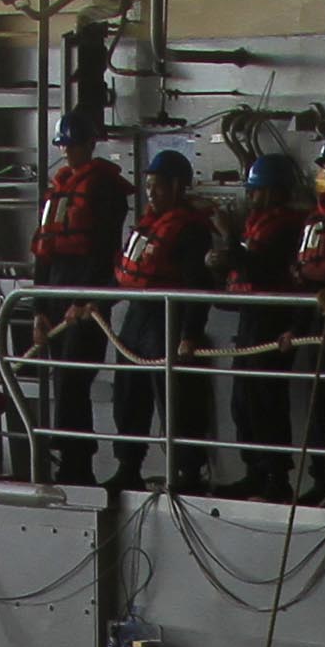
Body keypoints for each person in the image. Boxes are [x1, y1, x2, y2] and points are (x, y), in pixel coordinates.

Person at [104, 148, 223, 493]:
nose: (152, 193)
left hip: (168, 317)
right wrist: (91, 303)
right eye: (149, 187)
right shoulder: (148, 227)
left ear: (176, 187)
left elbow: (197, 287)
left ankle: (188, 472)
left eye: (158, 187)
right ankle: (129, 465)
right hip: (139, 316)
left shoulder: (190, 231)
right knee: (128, 394)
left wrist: (190, 333)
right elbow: (123, 275)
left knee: (176, 398)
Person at [19, 108, 126, 488]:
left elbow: (103, 249)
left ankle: (77, 463)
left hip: (84, 305)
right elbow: (45, 251)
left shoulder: (106, 189)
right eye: (64, 146)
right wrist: (39, 311)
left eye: (73, 145)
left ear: (89, 144)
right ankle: (70, 460)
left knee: (74, 383)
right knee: (63, 384)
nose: (68, 153)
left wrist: (88, 298)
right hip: (56, 301)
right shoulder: (59, 191)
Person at [220, 152, 319, 501]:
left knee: (266, 401)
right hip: (251, 318)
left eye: (259, 191)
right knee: (243, 401)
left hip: (272, 319)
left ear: (277, 191)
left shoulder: (288, 226)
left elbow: (261, 269)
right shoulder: (259, 224)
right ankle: (254, 471)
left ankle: (276, 477)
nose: (253, 198)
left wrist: (229, 243)